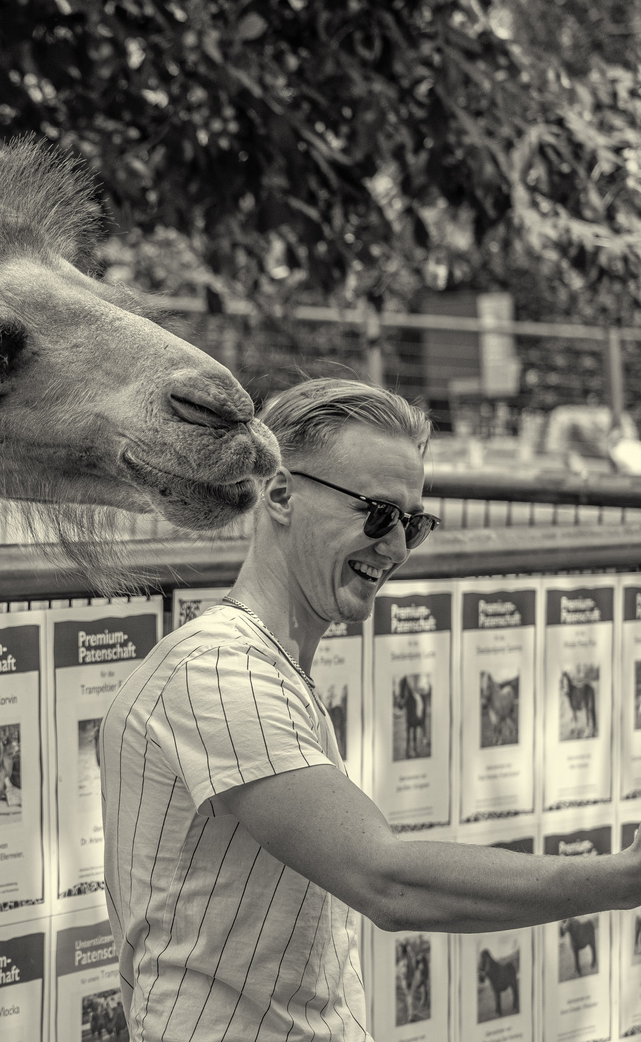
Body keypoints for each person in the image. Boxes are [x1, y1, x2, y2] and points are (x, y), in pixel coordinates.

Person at [99, 377, 641, 1042]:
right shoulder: (220, 671)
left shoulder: (261, 663)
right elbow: (386, 880)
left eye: (414, 522)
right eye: (378, 513)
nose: (396, 547)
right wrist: (622, 879)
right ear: (279, 493)